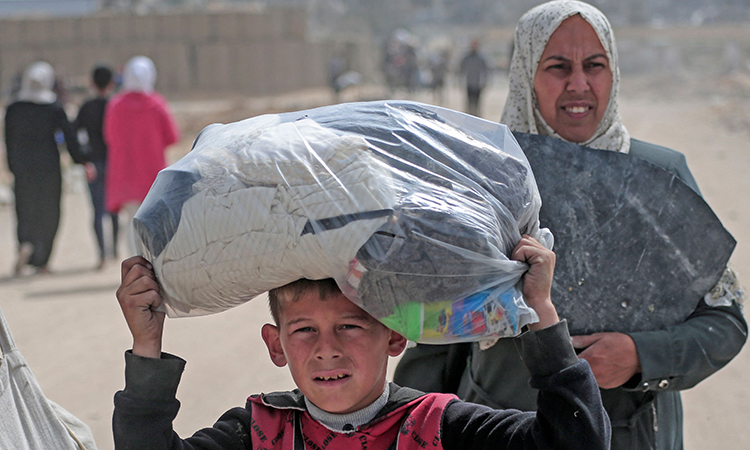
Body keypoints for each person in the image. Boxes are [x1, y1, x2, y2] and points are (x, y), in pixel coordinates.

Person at [394, 2, 748, 450]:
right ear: (525, 74)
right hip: (503, 434)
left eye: (594, 66)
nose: (578, 84)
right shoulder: (481, 177)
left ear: (613, 73)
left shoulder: (660, 178)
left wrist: (642, 356)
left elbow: (724, 322)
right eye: (558, 66)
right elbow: (433, 339)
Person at [112, 235, 611, 450]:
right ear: (276, 343)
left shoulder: (441, 426)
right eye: (304, 330)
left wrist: (539, 314)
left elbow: (578, 442)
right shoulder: (259, 430)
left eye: (349, 326)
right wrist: (147, 344)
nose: (326, 349)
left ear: (394, 334)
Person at [4, 61, 84, 275]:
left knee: (24, 209)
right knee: (49, 211)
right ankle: (42, 260)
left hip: (23, 168)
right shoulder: (53, 108)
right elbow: (69, 138)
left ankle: (26, 243)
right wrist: (81, 159)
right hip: (48, 167)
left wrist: (12, 166)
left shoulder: (14, 108)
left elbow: (8, 140)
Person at [103, 56, 179, 256]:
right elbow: (172, 136)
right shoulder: (156, 104)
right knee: (155, 222)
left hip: (125, 174)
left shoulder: (116, 106)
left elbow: (108, 136)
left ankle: (136, 268)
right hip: (153, 175)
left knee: (132, 221)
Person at [74, 64, 119, 269]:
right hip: (115, 164)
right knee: (115, 209)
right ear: (112, 83)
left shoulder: (86, 107)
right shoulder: (116, 105)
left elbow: (74, 134)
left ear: (91, 83)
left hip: (93, 163)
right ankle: (115, 250)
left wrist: (83, 159)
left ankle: (101, 254)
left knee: (97, 211)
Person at [459, 39, 489, 116]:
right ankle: (469, 116)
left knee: (477, 103)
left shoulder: (481, 58)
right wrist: (459, 81)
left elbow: (486, 71)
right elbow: (461, 70)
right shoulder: (466, 57)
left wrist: (485, 82)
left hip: (478, 84)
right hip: (469, 83)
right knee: (469, 102)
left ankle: (476, 116)